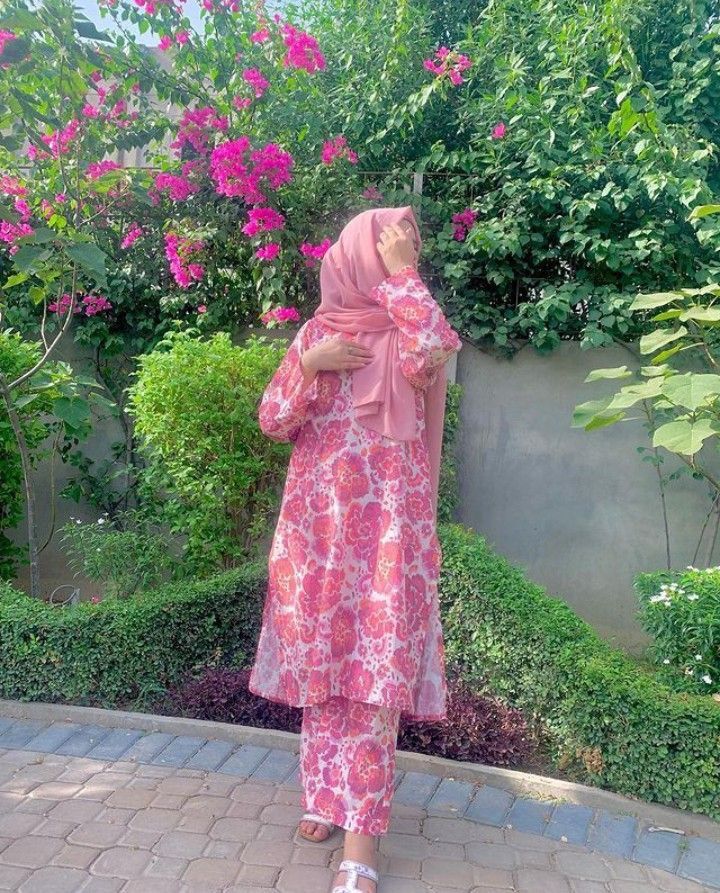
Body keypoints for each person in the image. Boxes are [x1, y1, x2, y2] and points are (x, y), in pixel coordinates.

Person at [248, 205, 462, 893]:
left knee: (373, 686)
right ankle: (322, 792)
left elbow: (433, 347)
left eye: (404, 250)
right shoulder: (316, 332)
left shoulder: (408, 328)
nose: (403, 254)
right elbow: (274, 420)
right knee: (323, 673)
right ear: (351, 259)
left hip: (386, 544)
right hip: (317, 537)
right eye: (390, 246)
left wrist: (404, 277)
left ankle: (361, 848)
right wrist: (309, 361)